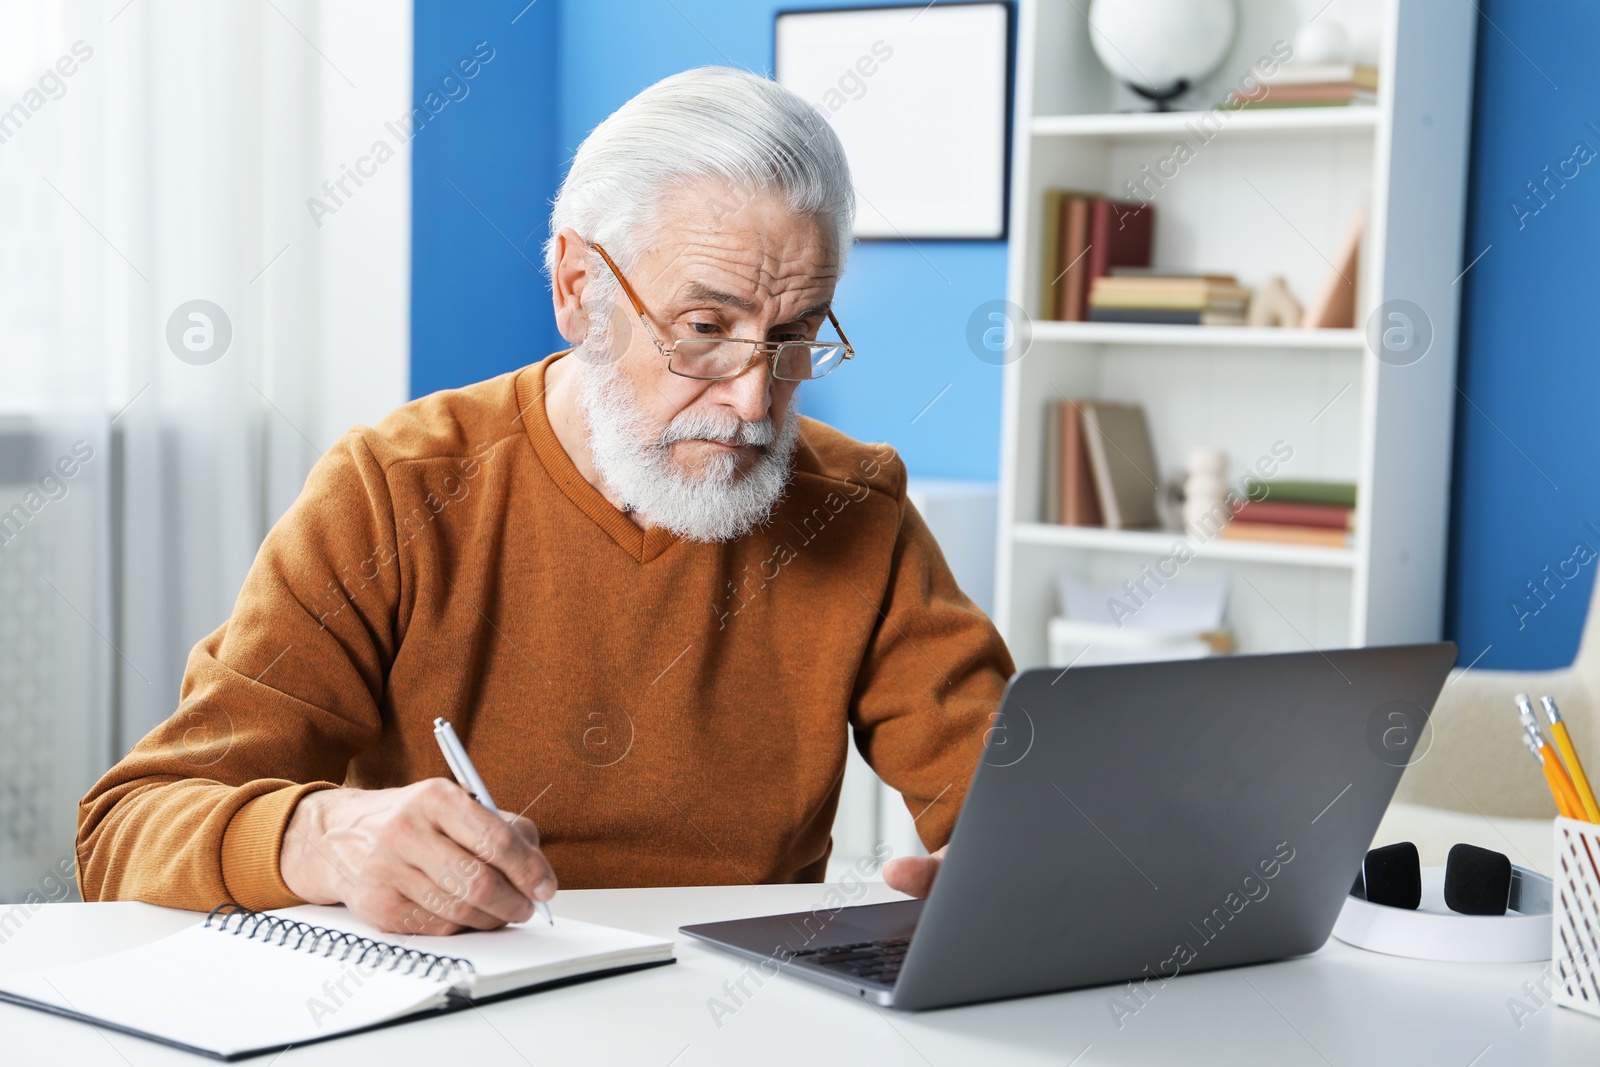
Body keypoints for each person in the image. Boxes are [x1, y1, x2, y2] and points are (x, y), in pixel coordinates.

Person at [76, 67, 1014, 935]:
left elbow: (1026, 803)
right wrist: (325, 835)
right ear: (577, 288)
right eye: (703, 328)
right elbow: (126, 831)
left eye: (794, 333)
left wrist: (1016, 869)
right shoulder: (393, 487)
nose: (753, 399)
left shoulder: (854, 506)